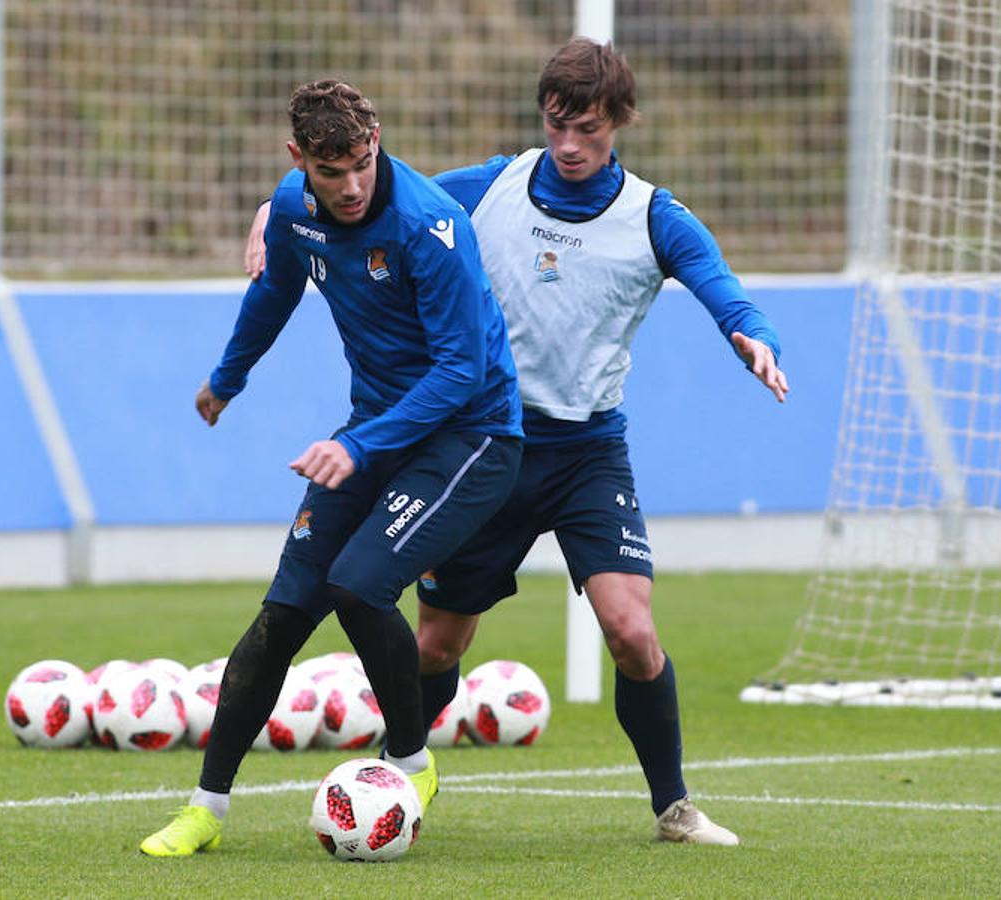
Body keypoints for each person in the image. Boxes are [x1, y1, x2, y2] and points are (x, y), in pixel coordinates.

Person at [244, 39, 789, 845]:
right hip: (483, 447)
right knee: (436, 644)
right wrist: (272, 209)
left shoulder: (653, 216)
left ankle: (673, 806)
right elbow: (375, 190)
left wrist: (752, 334)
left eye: (591, 131)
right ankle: (393, 781)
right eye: (559, 126)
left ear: (620, 125)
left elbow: (722, 287)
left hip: (586, 454)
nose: (571, 147)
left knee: (632, 632)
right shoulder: (491, 187)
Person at [139, 78, 524, 858]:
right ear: (298, 159)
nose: (349, 186)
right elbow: (275, 291)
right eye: (329, 170)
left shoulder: (430, 228)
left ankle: (412, 765)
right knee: (284, 612)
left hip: (470, 437)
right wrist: (228, 378)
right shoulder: (291, 207)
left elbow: (461, 372)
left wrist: (356, 445)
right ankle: (205, 809)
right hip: (375, 432)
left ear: (377, 140)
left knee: (357, 584)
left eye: (360, 163)